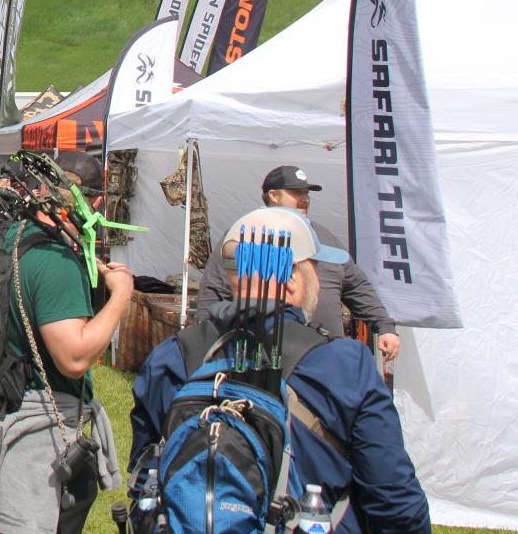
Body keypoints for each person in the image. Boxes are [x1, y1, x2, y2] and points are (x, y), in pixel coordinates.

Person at [129, 206, 430, 534]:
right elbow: (393, 496)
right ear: (291, 278)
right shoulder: (346, 364)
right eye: (313, 267)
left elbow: (146, 475)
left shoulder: (172, 357)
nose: (319, 277)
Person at [0, 153, 131, 534]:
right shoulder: (55, 259)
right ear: (95, 202)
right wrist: (121, 295)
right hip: (37, 431)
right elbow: (73, 357)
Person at [196, 166, 401, 361]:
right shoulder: (248, 235)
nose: (305, 200)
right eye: (296, 193)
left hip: (327, 354)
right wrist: (207, 342)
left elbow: (357, 286)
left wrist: (384, 327)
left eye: (306, 193)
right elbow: (213, 292)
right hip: (265, 357)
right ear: (273, 195)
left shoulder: (325, 237)